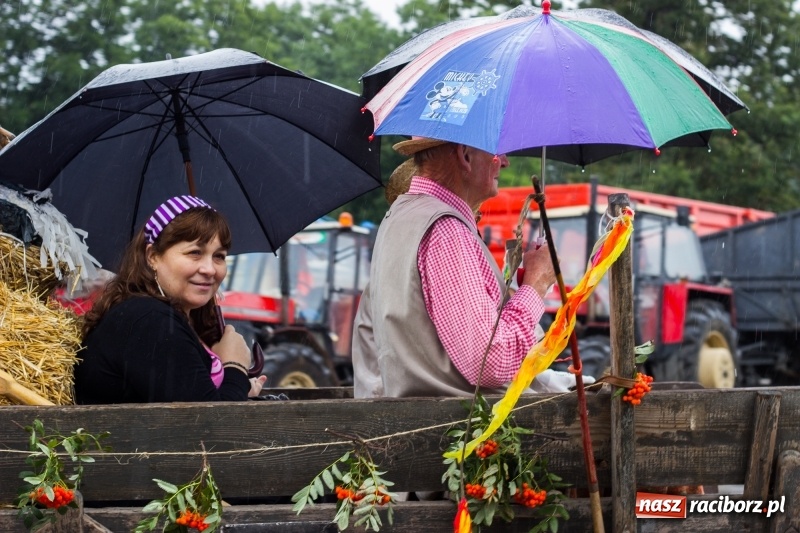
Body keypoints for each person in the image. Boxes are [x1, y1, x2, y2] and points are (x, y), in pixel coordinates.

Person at [353, 137, 583, 399]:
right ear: (464, 155)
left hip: (419, 421)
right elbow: (490, 360)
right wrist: (536, 284)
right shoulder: (446, 230)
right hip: (461, 429)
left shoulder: (397, 218)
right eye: (497, 152)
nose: (505, 162)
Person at [74, 195, 267, 404]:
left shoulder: (161, 317)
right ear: (153, 257)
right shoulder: (150, 321)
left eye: (219, 256)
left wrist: (237, 387)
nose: (210, 269)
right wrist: (235, 365)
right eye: (195, 252)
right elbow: (212, 427)